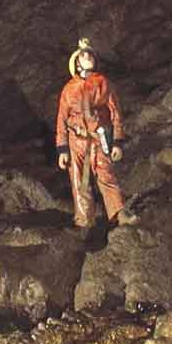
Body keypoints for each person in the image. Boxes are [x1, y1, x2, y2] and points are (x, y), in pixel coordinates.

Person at [54, 37, 136, 229]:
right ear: (77, 62)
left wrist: (117, 142)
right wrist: (62, 149)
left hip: (99, 138)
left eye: (90, 54)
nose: (88, 57)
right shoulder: (69, 88)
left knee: (106, 174)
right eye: (83, 55)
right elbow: (61, 119)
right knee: (79, 182)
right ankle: (84, 221)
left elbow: (115, 113)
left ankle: (119, 213)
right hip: (76, 140)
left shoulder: (103, 83)